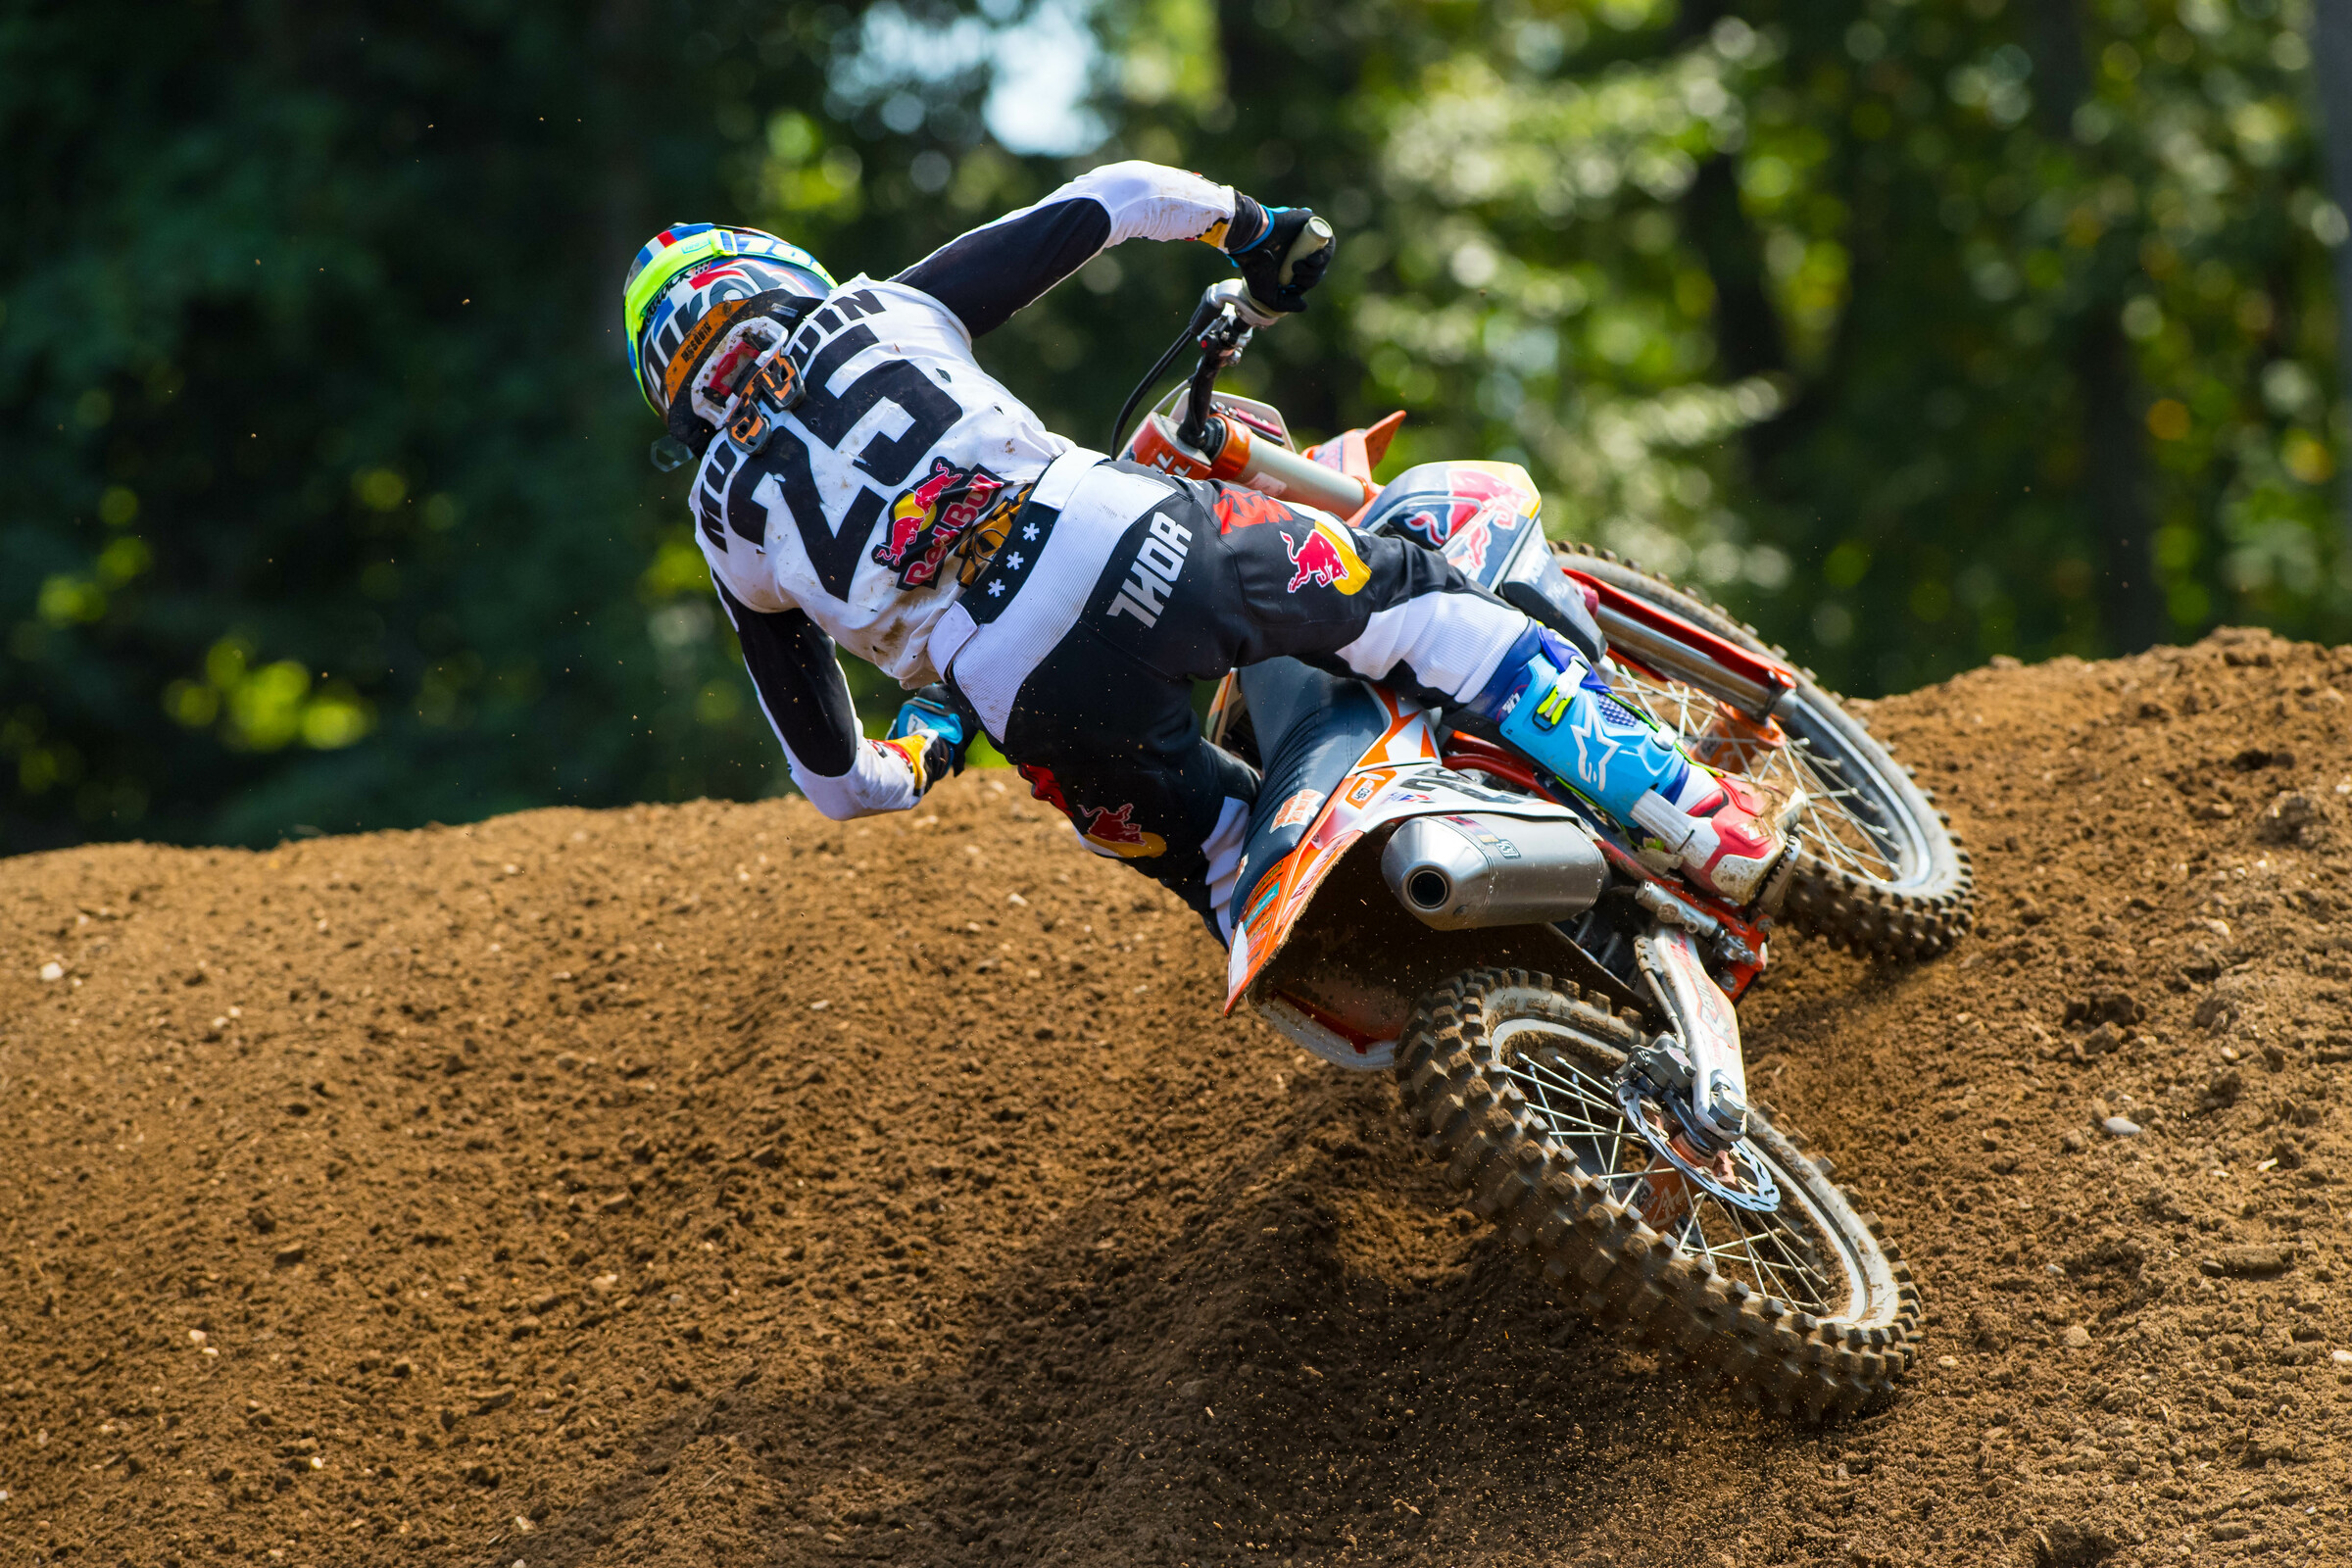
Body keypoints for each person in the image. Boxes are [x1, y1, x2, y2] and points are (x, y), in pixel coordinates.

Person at [620, 162, 1789, 943]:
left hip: (1027, 699)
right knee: (1425, 613)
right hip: (1126, 542)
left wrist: (917, 759)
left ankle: (1450, 1027)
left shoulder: (724, 525)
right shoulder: (881, 309)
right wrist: (1257, 228)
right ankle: (1702, 824)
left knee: (1234, 866)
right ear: (779, 276)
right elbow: (1118, 195)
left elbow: (834, 786)